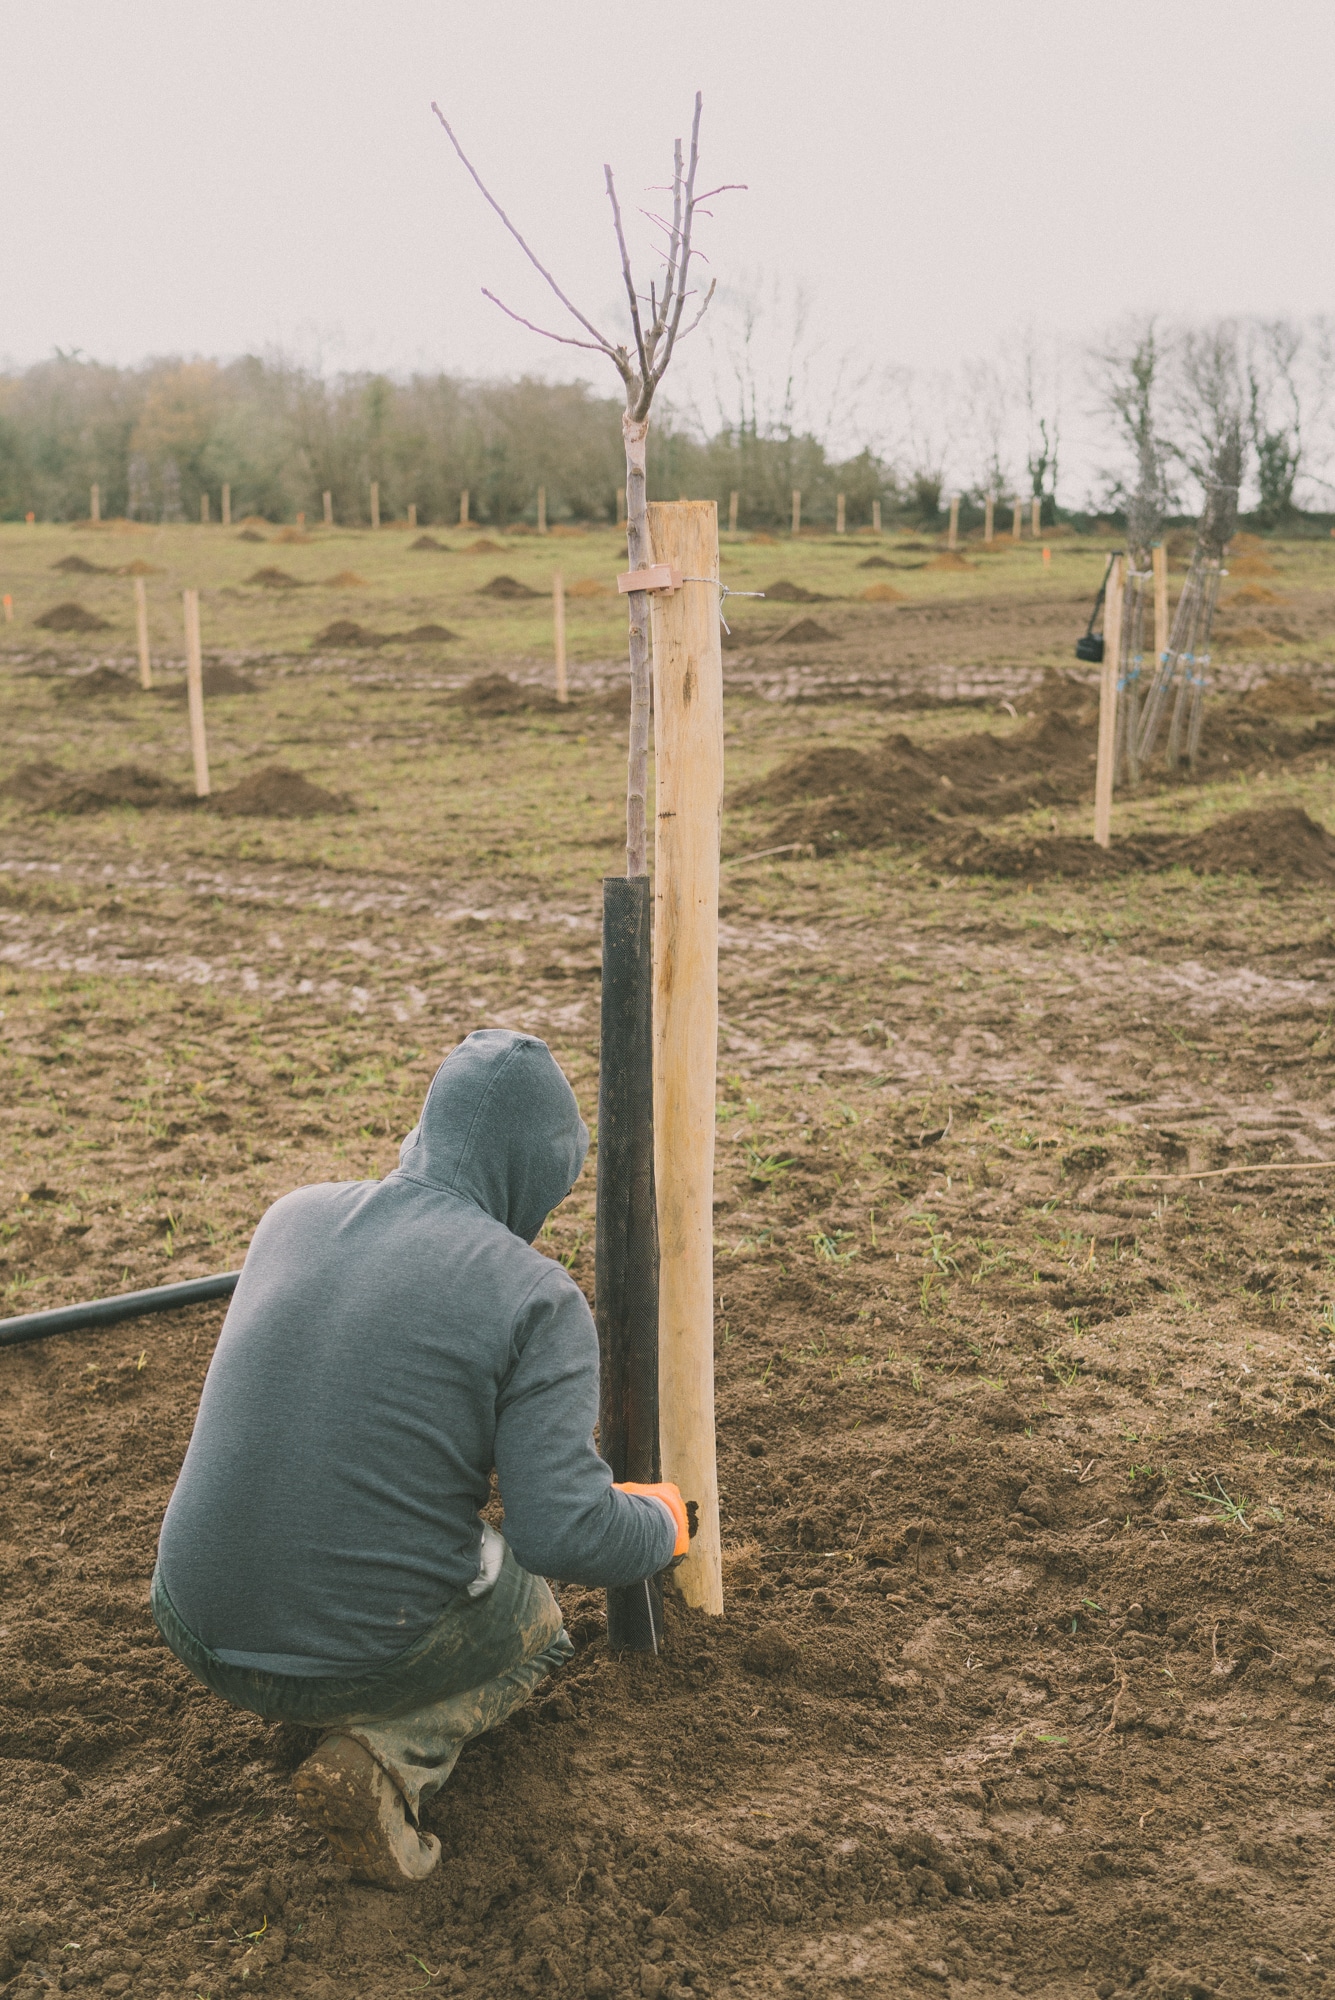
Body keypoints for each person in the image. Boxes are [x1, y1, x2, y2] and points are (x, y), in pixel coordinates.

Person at [152, 1028, 685, 1888]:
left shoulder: (291, 1214)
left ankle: (309, 1671)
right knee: (535, 1622)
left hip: (192, 1622)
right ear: (545, 1175)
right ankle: (387, 1759)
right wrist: (664, 1523)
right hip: (351, 1656)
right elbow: (561, 1529)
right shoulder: (535, 1298)